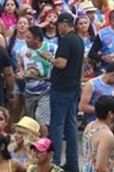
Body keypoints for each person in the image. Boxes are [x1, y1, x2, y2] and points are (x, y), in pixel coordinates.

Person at [48, 12, 83, 172]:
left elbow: (61, 63)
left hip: (61, 89)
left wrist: (48, 58)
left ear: (63, 24)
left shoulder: (67, 41)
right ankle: (72, 163)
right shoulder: (78, 40)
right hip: (74, 87)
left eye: (58, 25)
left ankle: (54, 162)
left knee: (57, 125)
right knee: (71, 126)